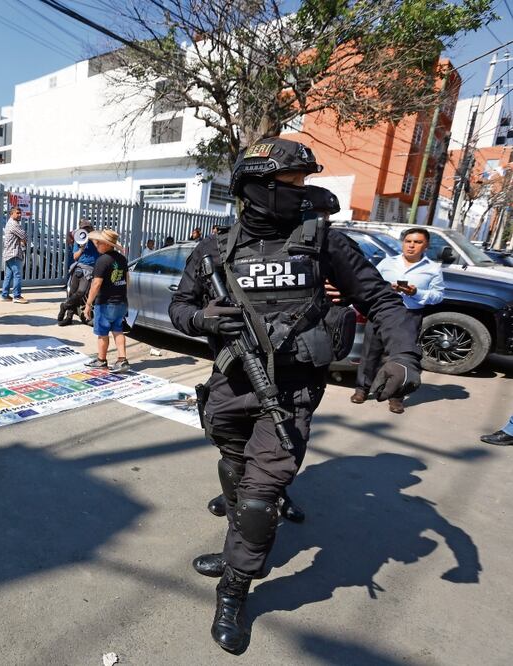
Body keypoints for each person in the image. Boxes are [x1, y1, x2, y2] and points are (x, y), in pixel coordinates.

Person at [168, 137, 421, 654]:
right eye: (291, 183)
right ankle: (238, 542)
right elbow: (179, 305)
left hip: (293, 387)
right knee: (234, 469)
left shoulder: (324, 242)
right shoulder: (215, 248)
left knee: (261, 496)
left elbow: (381, 302)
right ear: (256, 187)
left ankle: (234, 588)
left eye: (304, 183)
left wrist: (403, 356)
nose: (303, 192)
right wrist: (200, 319)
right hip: (229, 383)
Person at [353, 227, 443, 413]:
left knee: (401, 357)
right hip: (381, 312)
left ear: (425, 245)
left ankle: (396, 397)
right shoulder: (387, 262)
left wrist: (416, 292)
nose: (411, 246)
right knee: (370, 352)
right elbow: (372, 284)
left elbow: (438, 296)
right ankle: (362, 389)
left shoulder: (432, 268)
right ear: (403, 243)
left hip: (409, 315)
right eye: (408, 241)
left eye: (417, 242)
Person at [83, 229, 130, 373]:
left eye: (98, 242)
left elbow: (96, 284)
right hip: (120, 302)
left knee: (102, 333)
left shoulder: (102, 261)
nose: (96, 244)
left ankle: (101, 360)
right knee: (118, 330)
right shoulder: (122, 259)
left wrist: (88, 304)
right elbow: (127, 279)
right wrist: (123, 295)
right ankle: (122, 360)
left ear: (106, 244)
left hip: (105, 303)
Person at [58, 219, 98, 326]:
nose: (86, 230)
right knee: (72, 292)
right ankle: (69, 317)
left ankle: (64, 306)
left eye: (87, 228)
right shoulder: (79, 239)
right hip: (79, 268)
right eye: (83, 228)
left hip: (90, 269)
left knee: (81, 292)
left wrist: (93, 238)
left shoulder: (96, 239)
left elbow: (100, 250)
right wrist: (82, 248)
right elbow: (75, 257)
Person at [0, 206, 28, 304]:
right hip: (14, 253)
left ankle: (4, 295)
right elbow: (24, 235)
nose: (19, 215)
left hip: (9, 253)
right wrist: (23, 240)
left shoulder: (10, 223)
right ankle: (17, 296)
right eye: (17, 213)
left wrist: (22, 239)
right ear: (11, 214)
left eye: (20, 213)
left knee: (8, 275)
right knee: (17, 275)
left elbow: (22, 237)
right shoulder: (14, 224)